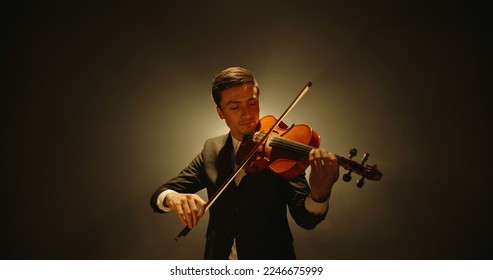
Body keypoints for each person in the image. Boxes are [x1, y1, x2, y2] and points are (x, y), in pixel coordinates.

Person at [150, 66, 340, 259]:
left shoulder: (282, 152)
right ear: (220, 112)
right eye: (234, 107)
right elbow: (161, 194)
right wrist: (173, 198)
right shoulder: (211, 149)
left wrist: (319, 194)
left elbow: (305, 219)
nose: (247, 114)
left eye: (252, 103)